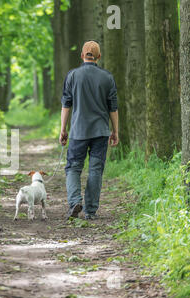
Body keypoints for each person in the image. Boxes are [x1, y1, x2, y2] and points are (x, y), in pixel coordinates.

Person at [59, 40, 119, 220]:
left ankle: (75, 201)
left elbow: (66, 104)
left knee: (73, 168)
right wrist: (115, 131)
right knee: (95, 169)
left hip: (78, 130)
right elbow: (113, 108)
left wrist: (63, 129)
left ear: (82, 55)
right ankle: (91, 211)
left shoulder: (72, 75)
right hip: (101, 131)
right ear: (99, 57)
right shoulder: (107, 77)